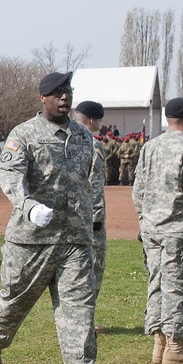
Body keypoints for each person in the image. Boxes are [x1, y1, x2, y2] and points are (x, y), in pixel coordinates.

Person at [0, 71, 111, 364]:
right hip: (32, 240)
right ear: (43, 98)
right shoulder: (23, 135)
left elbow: (92, 183)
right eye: (56, 93)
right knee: (14, 300)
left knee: (80, 310)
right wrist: (28, 206)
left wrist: (94, 223)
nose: (64, 97)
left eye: (67, 92)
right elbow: (10, 177)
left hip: (75, 241)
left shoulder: (85, 138)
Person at [132, 97, 183, 364]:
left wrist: (144, 222)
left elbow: (138, 189)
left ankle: (159, 345)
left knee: (156, 284)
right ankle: (175, 347)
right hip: (178, 231)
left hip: (152, 230)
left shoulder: (150, 147)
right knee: (178, 287)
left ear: (167, 119)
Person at [72, 100, 107, 333]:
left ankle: (76, 320)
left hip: (68, 214)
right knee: (93, 268)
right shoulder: (92, 145)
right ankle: (84, 322)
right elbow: (94, 183)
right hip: (88, 217)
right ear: (93, 120)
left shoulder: (67, 139)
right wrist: (96, 217)